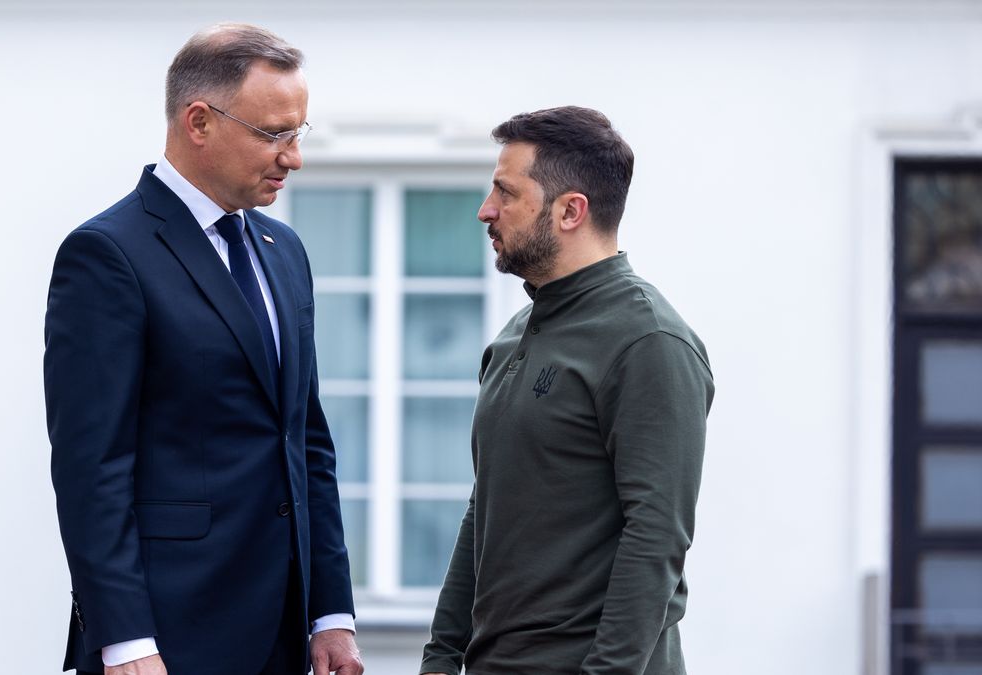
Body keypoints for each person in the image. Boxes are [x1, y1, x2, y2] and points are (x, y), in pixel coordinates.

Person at [44, 23, 362, 675]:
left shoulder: (286, 253)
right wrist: (125, 639)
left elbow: (306, 443)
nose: (293, 156)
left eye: (299, 132)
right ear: (199, 121)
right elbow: (91, 468)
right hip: (166, 639)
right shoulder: (108, 255)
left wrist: (330, 613)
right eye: (275, 133)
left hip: (283, 634)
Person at [420, 107, 715, 675]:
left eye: (506, 193)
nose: (486, 210)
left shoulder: (649, 340)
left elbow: (656, 536)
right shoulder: (513, 337)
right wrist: (441, 656)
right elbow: (485, 507)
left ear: (570, 211)